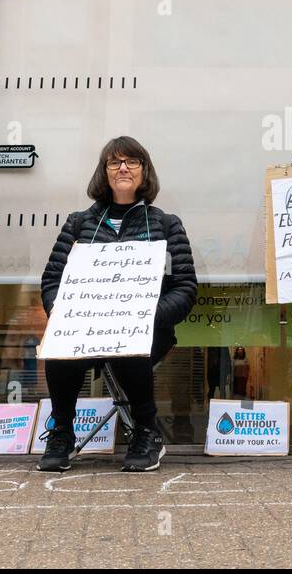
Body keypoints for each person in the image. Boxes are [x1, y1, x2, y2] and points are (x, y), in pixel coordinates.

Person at [37, 136, 197, 473]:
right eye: (114, 162)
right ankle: (62, 432)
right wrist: (62, 313)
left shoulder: (167, 225)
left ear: (144, 171)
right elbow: (52, 279)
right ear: (104, 172)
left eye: (132, 161)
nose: (123, 167)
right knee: (58, 346)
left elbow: (185, 289)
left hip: (148, 329)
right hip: (85, 326)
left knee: (130, 343)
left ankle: (146, 431)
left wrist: (145, 316)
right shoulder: (78, 223)